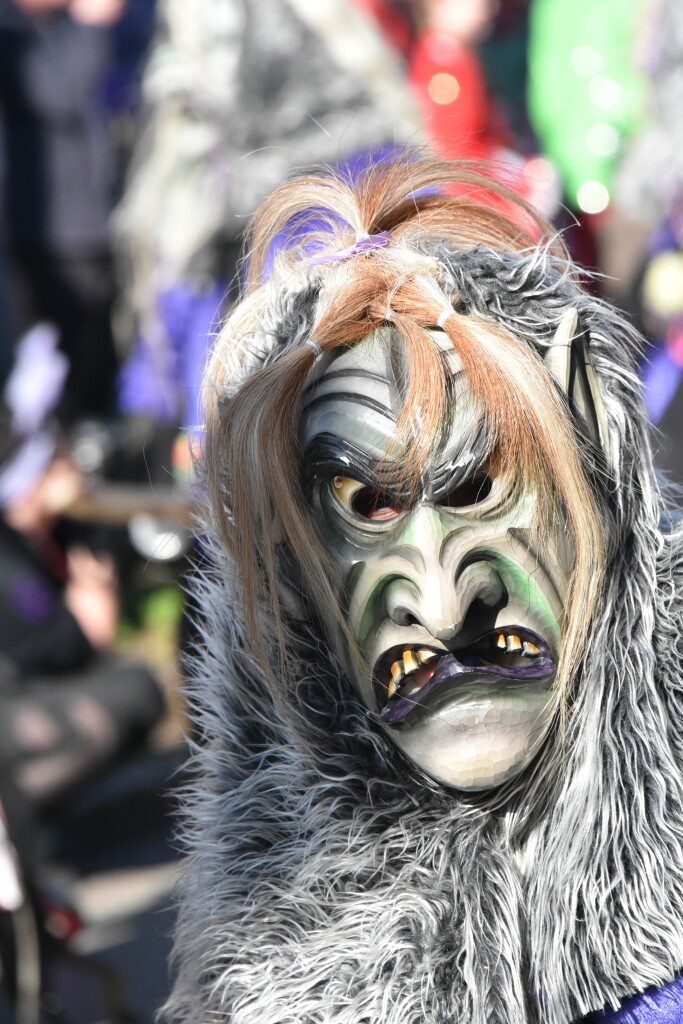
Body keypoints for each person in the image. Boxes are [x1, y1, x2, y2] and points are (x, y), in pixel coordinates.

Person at [165, 154, 683, 1024]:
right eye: (367, 507)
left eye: (479, 487)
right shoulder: (263, 984)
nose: (444, 606)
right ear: (293, 593)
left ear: (592, 476)